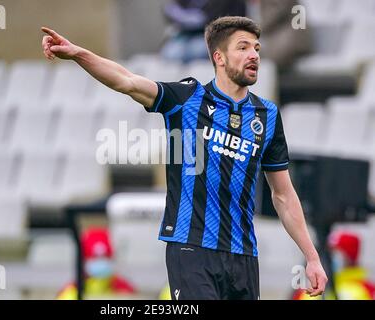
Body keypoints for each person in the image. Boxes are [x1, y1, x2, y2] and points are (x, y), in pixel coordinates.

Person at [41, 15, 327, 300]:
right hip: (191, 252)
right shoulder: (187, 99)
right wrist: (78, 54)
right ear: (220, 57)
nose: (253, 55)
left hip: (244, 257)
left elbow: (284, 196)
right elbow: (126, 81)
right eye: (243, 47)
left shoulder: (268, 116)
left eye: (257, 48)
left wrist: (312, 257)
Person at [56, 227, 135, 300]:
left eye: (105, 257)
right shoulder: (73, 288)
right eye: (94, 258)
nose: (100, 262)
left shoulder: (120, 285)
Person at [293, 230, 374, 300]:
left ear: (350, 257)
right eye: (328, 253)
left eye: (335, 253)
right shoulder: (304, 292)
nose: (329, 258)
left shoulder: (368, 291)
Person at [160, 0, 246, 63]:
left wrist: (203, 19)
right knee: (171, 53)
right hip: (187, 35)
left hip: (213, 37)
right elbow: (173, 9)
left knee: (197, 51)